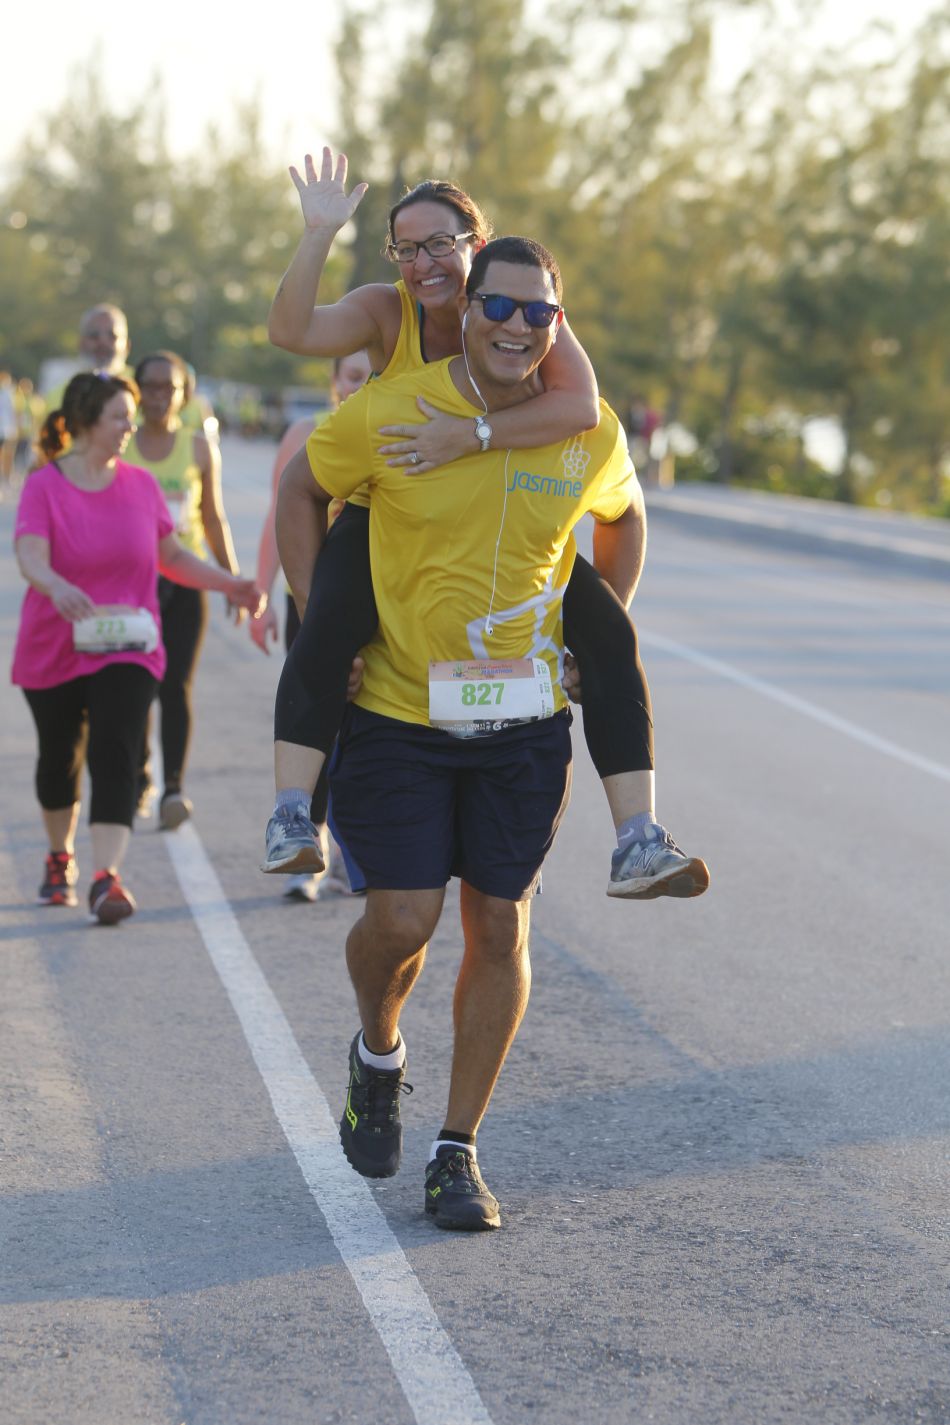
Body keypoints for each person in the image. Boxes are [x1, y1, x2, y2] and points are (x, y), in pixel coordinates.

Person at [279, 236, 646, 1229]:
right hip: (398, 715)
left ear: (557, 326)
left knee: (500, 927)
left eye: (539, 313)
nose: (518, 326)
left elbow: (621, 514)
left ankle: (457, 1150)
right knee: (400, 921)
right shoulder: (395, 410)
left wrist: (596, 621)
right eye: (501, 306)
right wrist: (323, 619)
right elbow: (301, 487)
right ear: (468, 307)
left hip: (522, 726)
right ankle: (376, 1051)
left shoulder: (585, 429)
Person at [263, 149, 708, 901]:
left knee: (607, 632)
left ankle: (638, 839)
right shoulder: (386, 310)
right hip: (392, 508)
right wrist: (317, 234)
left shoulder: (519, 302)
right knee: (327, 621)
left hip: (500, 509)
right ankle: (291, 815)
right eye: (406, 247)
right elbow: (291, 331)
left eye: (440, 242)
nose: (423, 262)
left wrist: (466, 437)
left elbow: (578, 409)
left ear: (476, 241)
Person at [12, 372, 261, 924]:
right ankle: (60, 859)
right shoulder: (45, 485)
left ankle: (106, 878)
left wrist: (230, 582)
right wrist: (57, 587)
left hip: (127, 641)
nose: (131, 425)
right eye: (119, 417)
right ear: (86, 423)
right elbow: (30, 555)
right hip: (54, 642)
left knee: (117, 749)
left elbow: (171, 555)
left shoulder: (141, 486)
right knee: (59, 760)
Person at [251, 351, 372, 900]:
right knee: (318, 721)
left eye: (372, 377)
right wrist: (263, 592)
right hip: (310, 597)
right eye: (352, 377)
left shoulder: (393, 430)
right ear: (333, 383)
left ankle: (357, 849)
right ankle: (308, 850)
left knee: (368, 726)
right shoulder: (306, 433)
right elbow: (281, 515)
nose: (360, 386)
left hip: (376, 603)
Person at [126, 351, 244, 829]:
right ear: (136, 392)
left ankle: (173, 788)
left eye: (167, 388)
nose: (158, 397)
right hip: (132, 582)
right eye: (149, 387)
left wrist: (232, 580)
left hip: (185, 577)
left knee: (176, 686)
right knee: (135, 685)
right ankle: (138, 777)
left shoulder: (197, 447)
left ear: (183, 394)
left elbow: (213, 516)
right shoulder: (123, 444)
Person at [40, 304, 133, 416]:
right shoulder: (60, 395)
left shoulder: (145, 386)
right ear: (80, 343)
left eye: (112, 336)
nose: (102, 342)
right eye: (94, 336)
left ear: (127, 345)